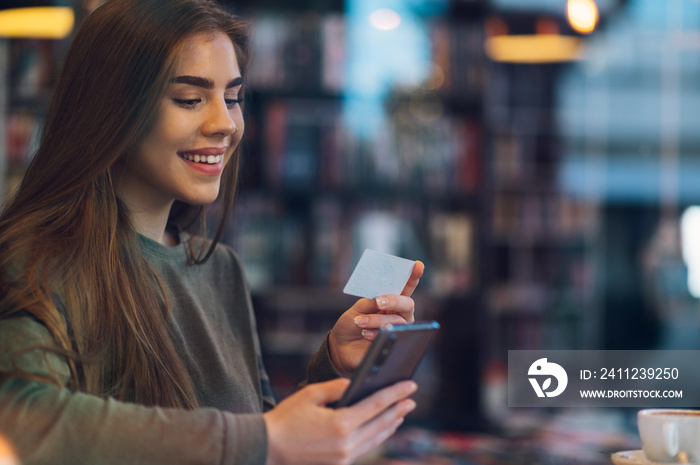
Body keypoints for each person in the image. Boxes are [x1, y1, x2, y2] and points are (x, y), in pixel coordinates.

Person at [0, 1, 425, 464]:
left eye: (233, 98)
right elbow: (23, 426)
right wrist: (264, 440)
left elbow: (256, 440)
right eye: (189, 98)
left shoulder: (220, 269)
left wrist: (332, 369)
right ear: (109, 110)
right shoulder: (31, 261)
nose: (224, 123)